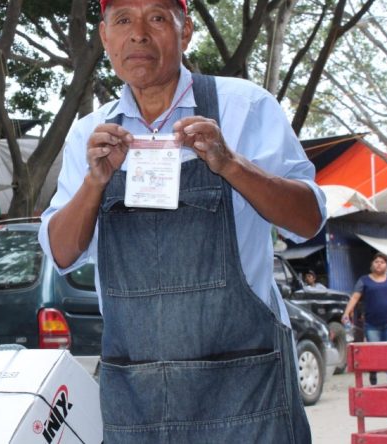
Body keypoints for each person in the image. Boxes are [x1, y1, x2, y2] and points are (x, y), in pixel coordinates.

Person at [37, 0, 326, 441]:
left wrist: (230, 164)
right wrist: (95, 182)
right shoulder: (87, 135)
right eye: (123, 20)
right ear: (105, 37)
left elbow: (308, 220)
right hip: (137, 398)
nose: (138, 33)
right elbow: (60, 254)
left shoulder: (245, 107)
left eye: (156, 18)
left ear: (185, 30)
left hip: (246, 393)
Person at [343, 253, 387, 385]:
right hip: (372, 324)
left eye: (382, 262)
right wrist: (346, 312)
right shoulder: (364, 280)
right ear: (372, 265)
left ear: (386, 265)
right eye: (376, 262)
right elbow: (355, 297)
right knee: (374, 351)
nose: (379, 264)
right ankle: (373, 370)